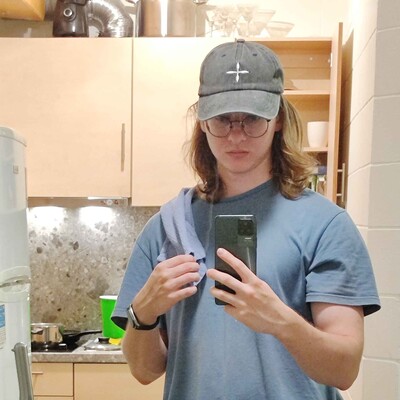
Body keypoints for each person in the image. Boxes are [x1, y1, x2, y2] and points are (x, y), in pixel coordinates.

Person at [112, 39, 380, 400]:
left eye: (252, 118)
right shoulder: (168, 226)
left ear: (278, 119)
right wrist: (142, 313)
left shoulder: (325, 225)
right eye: (222, 119)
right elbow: (145, 372)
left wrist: (280, 321)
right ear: (202, 122)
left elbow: (343, 370)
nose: (236, 135)